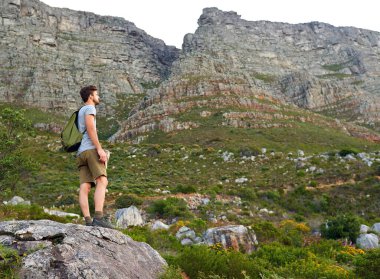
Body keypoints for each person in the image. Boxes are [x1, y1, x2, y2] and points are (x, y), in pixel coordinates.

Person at [76, 85, 112, 228]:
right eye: (97, 94)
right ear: (90, 96)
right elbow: (91, 129)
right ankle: (98, 218)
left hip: (80, 153)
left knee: (85, 187)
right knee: (102, 181)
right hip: (90, 150)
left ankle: (88, 221)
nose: (99, 97)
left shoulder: (80, 111)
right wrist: (99, 149)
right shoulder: (90, 108)